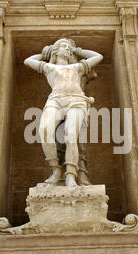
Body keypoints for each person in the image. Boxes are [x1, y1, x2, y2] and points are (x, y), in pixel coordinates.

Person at [24, 38, 103, 186]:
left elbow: (98, 57)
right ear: (56, 50)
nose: (67, 49)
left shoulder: (77, 67)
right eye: (64, 46)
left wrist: (77, 51)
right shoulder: (49, 67)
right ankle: (56, 170)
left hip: (76, 100)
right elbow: (28, 61)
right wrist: (44, 53)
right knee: (44, 130)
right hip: (55, 100)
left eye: (68, 47)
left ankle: (71, 176)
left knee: (71, 134)